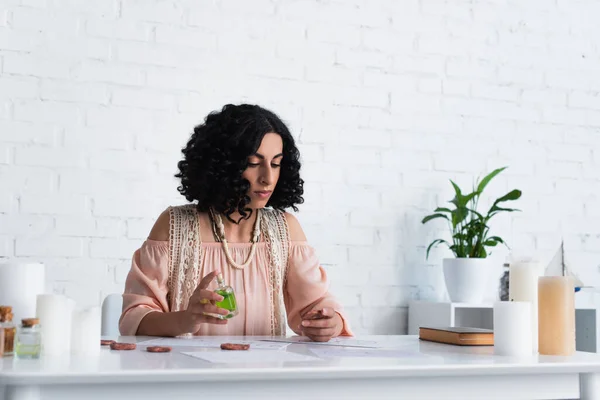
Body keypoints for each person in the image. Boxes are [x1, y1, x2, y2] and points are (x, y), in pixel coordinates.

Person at [119, 104, 352, 342]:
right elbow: (134, 318)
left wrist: (330, 321)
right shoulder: (173, 226)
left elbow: (314, 303)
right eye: (253, 162)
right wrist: (186, 319)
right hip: (189, 374)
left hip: (263, 374)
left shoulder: (285, 229)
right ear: (223, 165)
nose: (268, 178)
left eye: (276, 163)